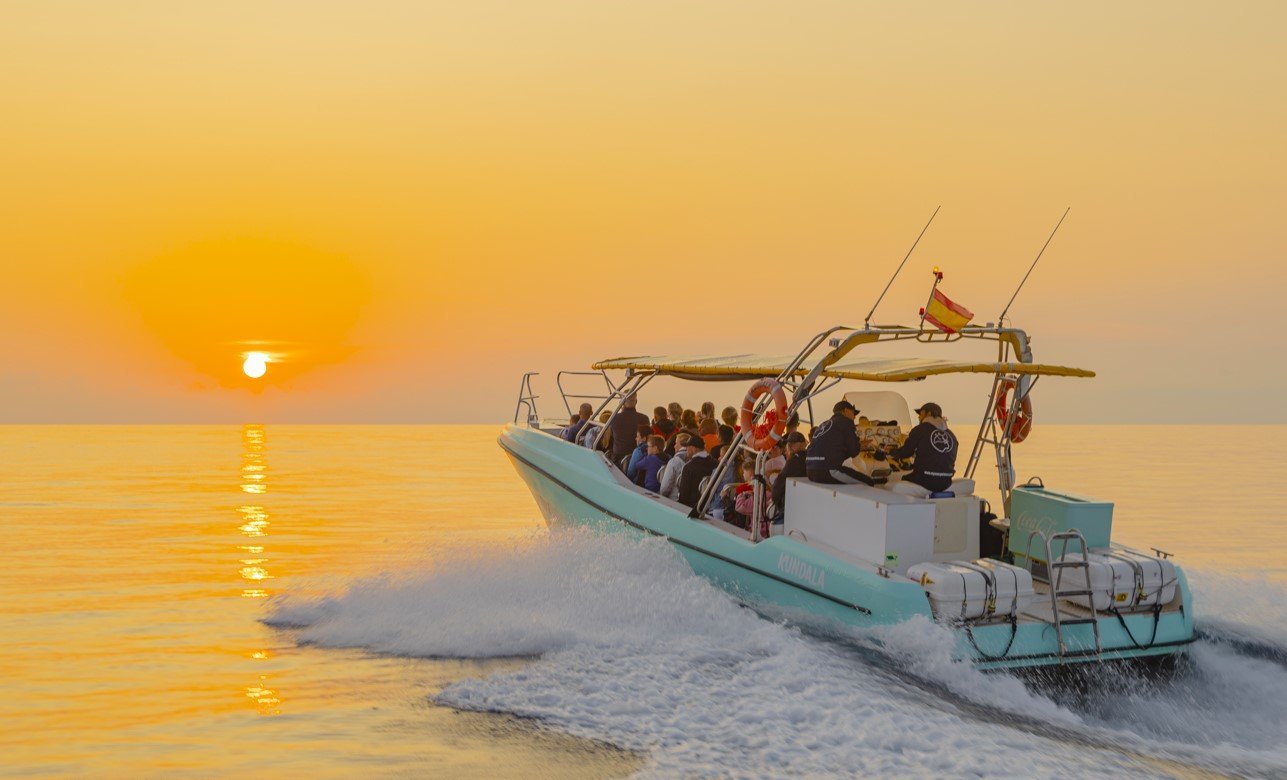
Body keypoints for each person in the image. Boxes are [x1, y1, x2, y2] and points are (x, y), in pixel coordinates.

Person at [880, 402, 959, 492]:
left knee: (890, 481)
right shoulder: (951, 435)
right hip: (945, 481)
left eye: (921, 414)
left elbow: (905, 453)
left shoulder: (920, 429)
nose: (919, 417)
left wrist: (890, 451)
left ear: (928, 414)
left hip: (924, 479)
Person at [805, 400, 873, 485]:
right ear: (846, 410)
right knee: (868, 482)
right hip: (828, 470)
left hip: (810, 471)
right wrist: (860, 445)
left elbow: (829, 446)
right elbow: (854, 451)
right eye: (853, 413)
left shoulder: (823, 424)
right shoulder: (847, 422)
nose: (854, 417)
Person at [606, 393, 650, 467]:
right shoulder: (644, 419)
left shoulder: (614, 418)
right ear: (636, 402)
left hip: (618, 459)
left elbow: (608, 438)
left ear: (622, 402)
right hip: (639, 458)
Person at [771, 431, 809, 517]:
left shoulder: (795, 461)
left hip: (792, 506)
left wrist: (774, 498)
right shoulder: (810, 457)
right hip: (805, 502)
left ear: (791, 446)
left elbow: (778, 487)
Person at [677, 436, 717, 508]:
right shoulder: (716, 463)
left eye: (687, 447)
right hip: (710, 508)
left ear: (693, 448)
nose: (686, 449)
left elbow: (683, 496)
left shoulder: (689, 467)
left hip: (692, 508)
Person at [659, 433, 692, 500]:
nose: (674, 446)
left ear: (682, 445)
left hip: (673, 499)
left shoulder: (674, 461)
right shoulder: (694, 461)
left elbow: (665, 488)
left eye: (676, 443)